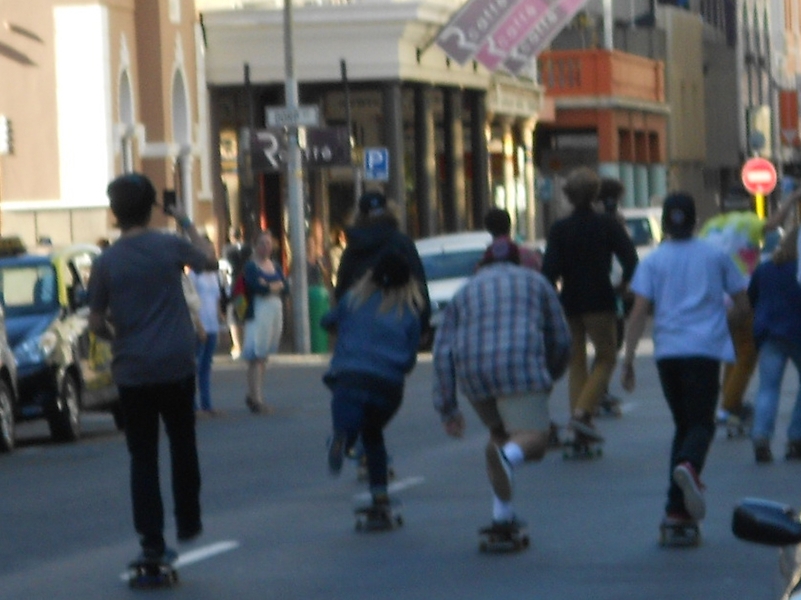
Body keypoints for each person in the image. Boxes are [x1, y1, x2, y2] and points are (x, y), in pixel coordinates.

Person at [87, 173, 215, 563]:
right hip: (175, 363)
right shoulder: (169, 245)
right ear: (150, 209)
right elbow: (209, 259)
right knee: (182, 441)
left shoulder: (106, 261)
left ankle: (151, 539)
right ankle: (189, 518)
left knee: (142, 456)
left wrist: (118, 336)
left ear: (115, 213)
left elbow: (94, 321)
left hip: (133, 370)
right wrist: (186, 221)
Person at [620, 192, 749, 530]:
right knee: (701, 425)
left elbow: (637, 313)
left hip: (668, 354)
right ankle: (690, 467)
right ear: (695, 221)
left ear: (664, 222)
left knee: (683, 425)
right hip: (704, 351)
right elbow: (742, 303)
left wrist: (628, 358)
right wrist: (725, 323)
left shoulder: (653, 261)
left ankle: (676, 508)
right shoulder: (716, 256)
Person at [433, 238, 571, 531]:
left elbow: (442, 351)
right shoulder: (537, 282)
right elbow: (560, 337)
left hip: (473, 374)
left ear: (484, 263)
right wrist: (549, 373)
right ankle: (507, 459)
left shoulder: (464, 291)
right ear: (518, 261)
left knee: (500, 434)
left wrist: (448, 407)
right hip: (518, 367)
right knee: (534, 438)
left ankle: (502, 514)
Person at [323, 249, 425, 513]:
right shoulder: (409, 313)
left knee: (351, 423)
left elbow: (326, 321)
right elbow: (410, 358)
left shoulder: (353, 301)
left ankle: (343, 438)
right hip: (387, 387)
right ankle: (379, 493)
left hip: (349, 376)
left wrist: (344, 327)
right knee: (374, 434)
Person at [541, 167, 638, 444]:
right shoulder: (607, 224)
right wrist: (624, 285)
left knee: (577, 360)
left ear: (569, 196)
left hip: (569, 300)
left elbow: (549, 272)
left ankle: (578, 417)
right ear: (595, 194)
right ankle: (582, 415)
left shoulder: (559, 229)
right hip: (600, 297)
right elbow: (630, 260)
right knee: (606, 356)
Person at [700, 186, 801, 430]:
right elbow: (774, 223)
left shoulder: (711, 226)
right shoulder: (748, 221)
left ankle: (731, 402)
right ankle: (728, 405)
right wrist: (791, 199)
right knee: (747, 354)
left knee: (732, 353)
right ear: (745, 204)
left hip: (715, 298)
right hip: (740, 294)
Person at [334, 191, 431, 335]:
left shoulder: (353, 249)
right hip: (398, 324)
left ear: (359, 215)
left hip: (361, 328)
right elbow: (419, 285)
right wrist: (422, 325)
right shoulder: (402, 244)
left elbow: (342, 291)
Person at [748, 226, 801, 463]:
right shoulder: (798, 271)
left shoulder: (765, 269)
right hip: (797, 333)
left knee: (768, 388)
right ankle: (796, 438)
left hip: (770, 334)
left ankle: (761, 437)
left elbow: (751, 297)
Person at [242, 230, 287, 414]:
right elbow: (256, 287)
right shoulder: (251, 267)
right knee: (256, 356)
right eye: (262, 243)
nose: (266, 247)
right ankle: (256, 398)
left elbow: (286, 287)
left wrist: (270, 286)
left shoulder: (275, 265)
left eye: (268, 243)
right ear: (255, 245)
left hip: (274, 310)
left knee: (263, 356)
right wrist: (273, 286)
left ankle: (254, 395)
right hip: (259, 312)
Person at [189, 245, 224, 416]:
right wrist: (198, 325)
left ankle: (207, 403)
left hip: (212, 324)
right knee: (195, 364)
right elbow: (192, 302)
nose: (210, 256)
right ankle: (193, 404)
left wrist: (220, 316)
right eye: (207, 253)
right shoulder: (194, 275)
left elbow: (217, 298)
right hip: (200, 324)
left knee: (206, 366)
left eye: (211, 253)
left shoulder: (214, 274)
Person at [223, 227, 251, 359]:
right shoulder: (247, 249)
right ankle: (245, 345)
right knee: (244, 315)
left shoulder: (227, 250)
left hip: (234, 285)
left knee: (233, 317)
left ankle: (237, 346)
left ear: (230, 237)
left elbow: (226, 267)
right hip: (245, 285)